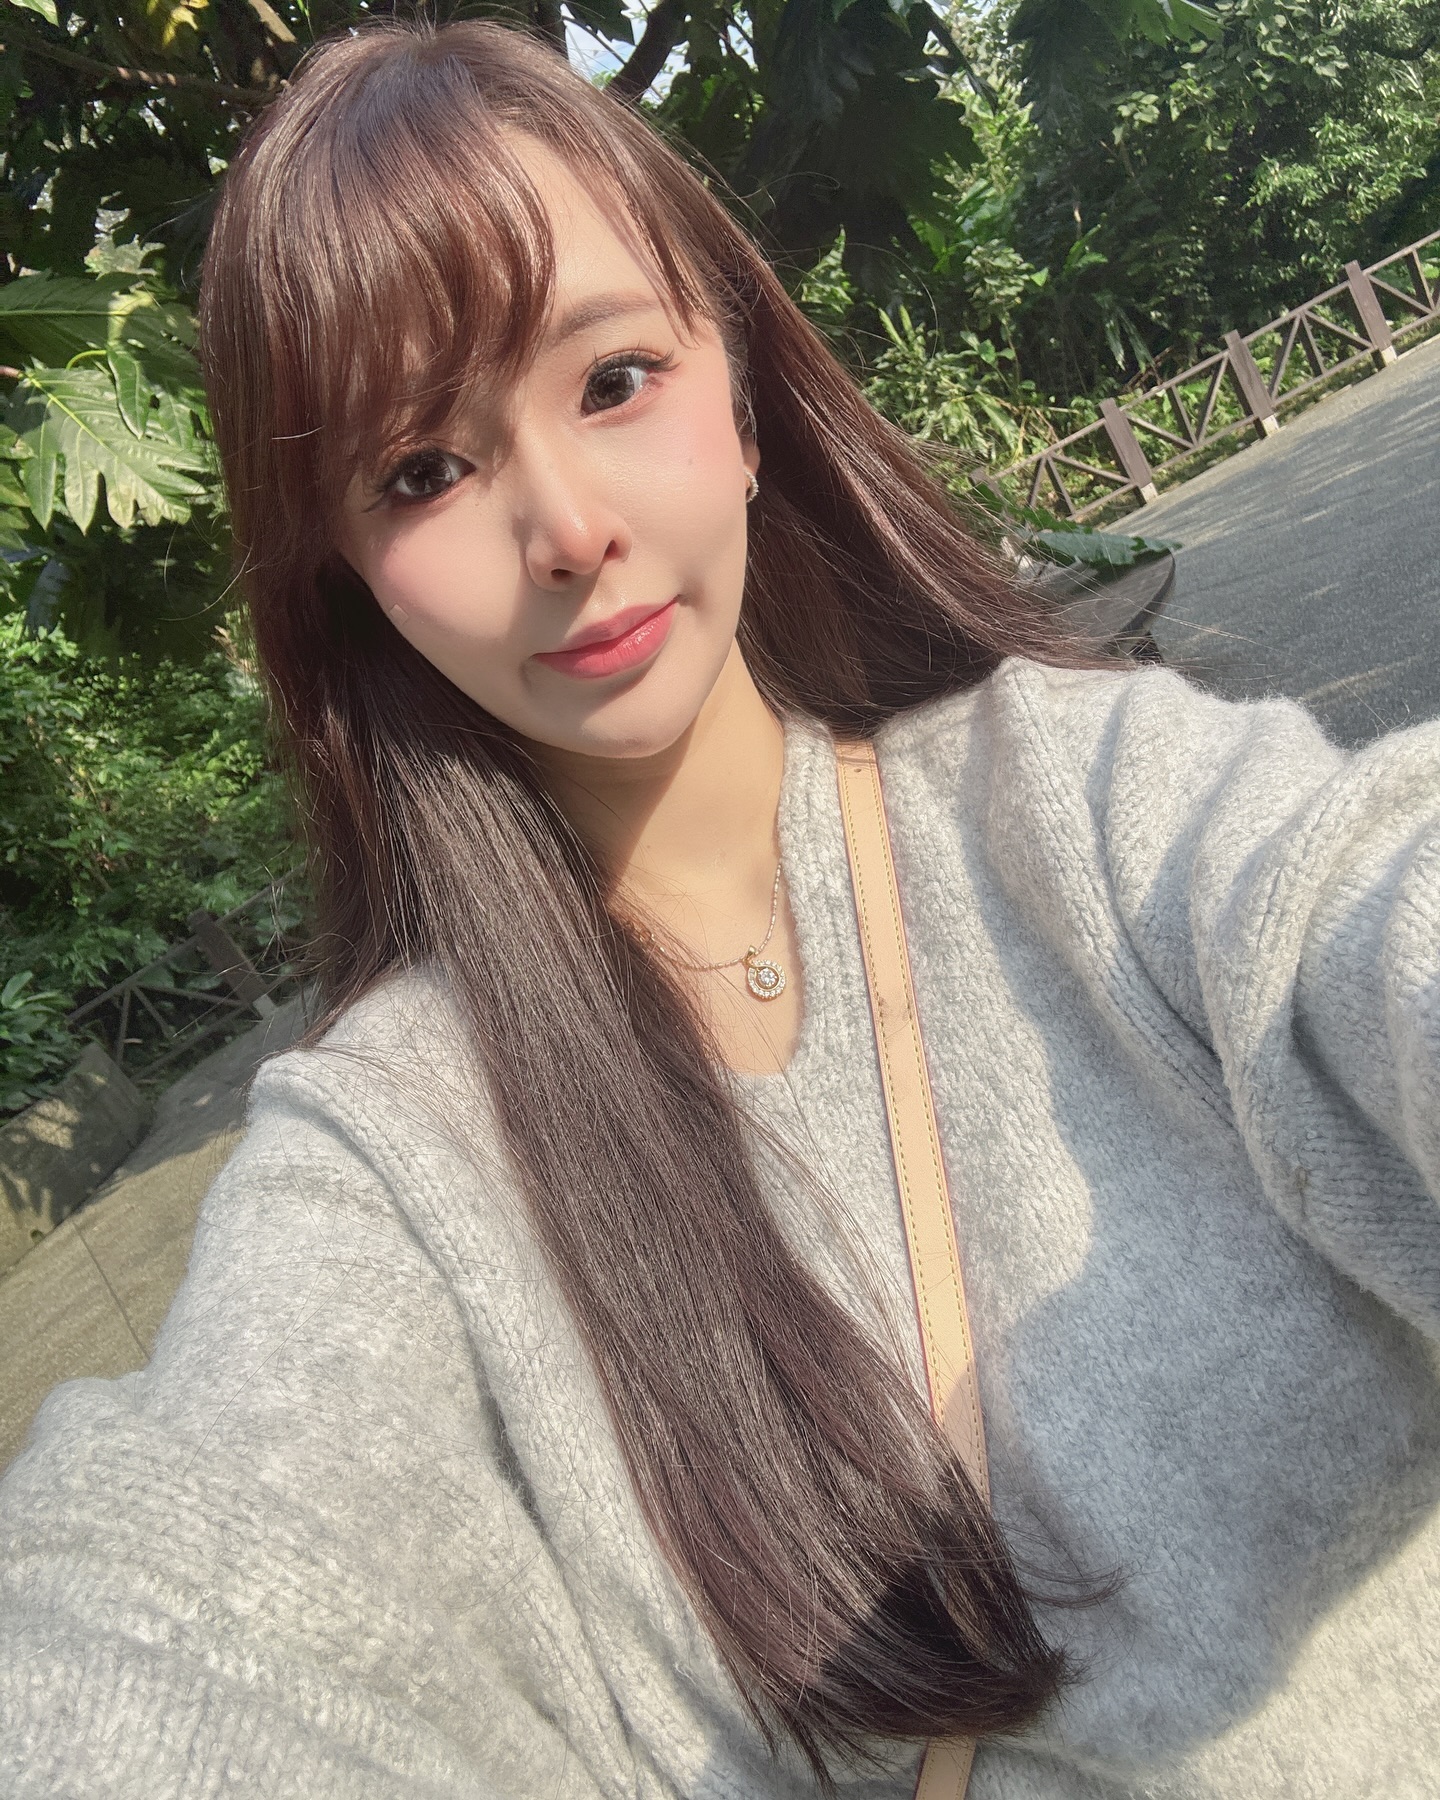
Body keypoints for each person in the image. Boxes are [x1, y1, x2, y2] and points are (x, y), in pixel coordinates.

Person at [2, 18, 1438, 1798]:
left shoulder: (1088, 803)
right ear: (354, 584)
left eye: (612, 380)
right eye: (420, 471)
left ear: (741, 398)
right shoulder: (395, 1168)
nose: (564, 528)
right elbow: (185, 1592)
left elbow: (1366, 913)